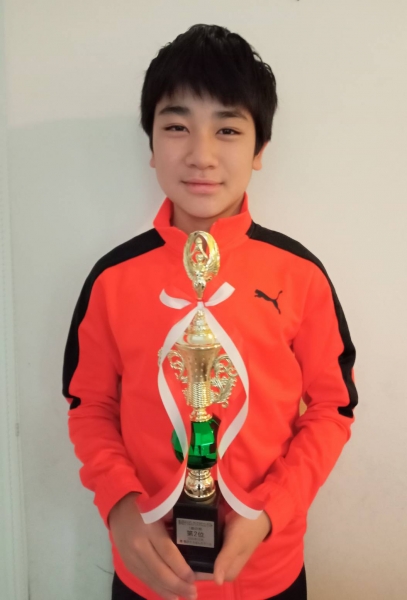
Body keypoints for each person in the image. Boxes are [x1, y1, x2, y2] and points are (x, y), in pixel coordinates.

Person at [62, 24, 358, 600]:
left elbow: (333, 407)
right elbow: (89, 404)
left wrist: (272, 509)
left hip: (269, 570)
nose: (201, 155)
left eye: (227, 128)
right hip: (148, 572)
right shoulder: (111, 279)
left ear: (260, 149)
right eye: (177, 127)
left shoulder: (300, 275)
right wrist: (120, 507)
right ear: (151, 145)